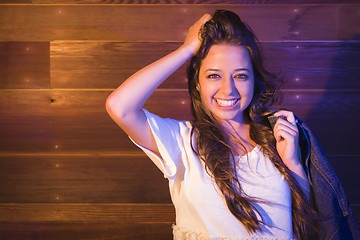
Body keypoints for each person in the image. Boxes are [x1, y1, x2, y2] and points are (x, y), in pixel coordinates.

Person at [106, 10, 358, 240]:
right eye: (214, 75)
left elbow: (305, 223)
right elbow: (119, 106)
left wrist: (292, 163)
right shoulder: (180, 141)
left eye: (240, 75)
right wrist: (186, 49)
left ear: (253, 81)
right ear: (197, 83)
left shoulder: (277, 137)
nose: (228, 89)